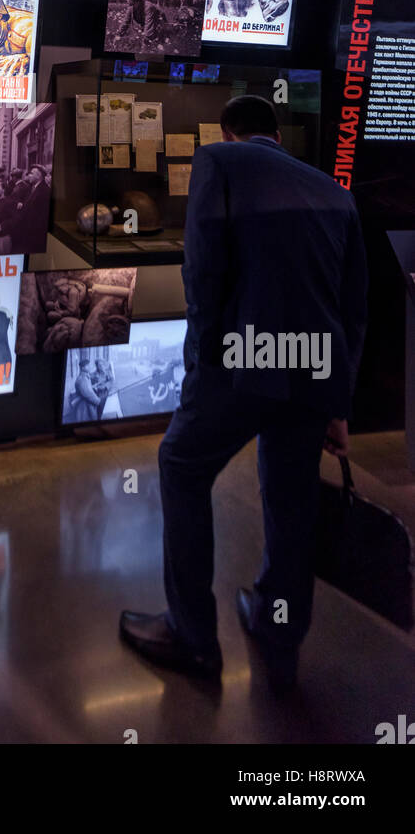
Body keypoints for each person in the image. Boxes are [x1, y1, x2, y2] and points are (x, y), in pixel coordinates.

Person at [119, 95, 368, 690]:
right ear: (278, 134)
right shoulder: (336, 192)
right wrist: (338, 404)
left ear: (229, 133)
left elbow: (203, 271)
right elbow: (354, 307)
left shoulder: (217, 163)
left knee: (181, 464)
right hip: (312, 368)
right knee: (290, 492)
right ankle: (278, 622)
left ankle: (192, 637)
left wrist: (201, 362)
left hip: (242, 359)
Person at [9, 163, 50, 254]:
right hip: (28, 233)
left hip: (35, 235)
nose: (28, 176)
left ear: (38, 176)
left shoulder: (44, 191)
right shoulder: (33, 188)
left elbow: (42, 217)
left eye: (31, 173)